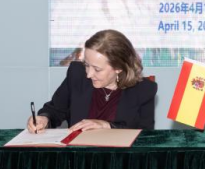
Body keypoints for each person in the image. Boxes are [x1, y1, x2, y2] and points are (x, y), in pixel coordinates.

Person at [27, 30, 157, 132]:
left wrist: (107, 126)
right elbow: (55, 110)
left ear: (118, 68)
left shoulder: (144, 90)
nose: (89, 74)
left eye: (97, 69)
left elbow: (146, 135)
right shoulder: (77, 75)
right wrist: (44, 118)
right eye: (87, 65)